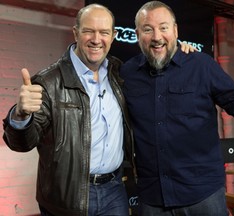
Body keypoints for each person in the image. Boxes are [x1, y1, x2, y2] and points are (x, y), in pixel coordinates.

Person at [2, 3, 196, 216]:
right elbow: (22, 143)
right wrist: (20, 115)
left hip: (114, 191)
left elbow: (157, 64)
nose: (96, 40)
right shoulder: (48, 82)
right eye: (88, 31)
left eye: (104, 32)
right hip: (67, 196)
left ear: (113, 36)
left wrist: (181, 52)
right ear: (76, 33)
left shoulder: (119, 72)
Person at [119, 1, 234, 216]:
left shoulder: (201, 65)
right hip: (152, 198)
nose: (157, 36)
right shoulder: (127, 73)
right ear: (138, 34)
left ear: (175, 31)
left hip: (203, 196)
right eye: (148, 29)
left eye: (164, 27)